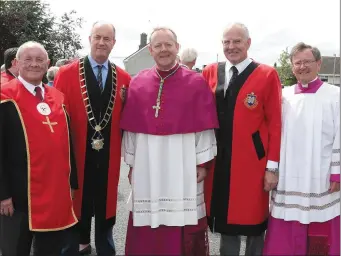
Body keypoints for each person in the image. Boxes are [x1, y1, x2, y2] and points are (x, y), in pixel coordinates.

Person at [120, 27, 218, 256]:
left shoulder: (195, 82)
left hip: (183, 163)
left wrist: (202, 164)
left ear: (177, 47)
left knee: (182, 217)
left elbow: (204, 128)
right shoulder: (138, 83)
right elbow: (132, 131)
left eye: (168, 45)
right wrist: (133, 165)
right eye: (158, 46)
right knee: (147, 216)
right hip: (147, 163)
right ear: (150, 50)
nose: (164, 49)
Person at [202, 22, 282, 255]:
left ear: (248, 43)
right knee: (226, 220)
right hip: (219, 162)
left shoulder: (267, 74)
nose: (231, 46)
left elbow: (276, 124)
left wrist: (272, 168)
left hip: (252, 164)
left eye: (237, 41)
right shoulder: (210, 71)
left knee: (254, 223)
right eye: (226, 42)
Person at [54, 21, 131, 256]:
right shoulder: (66, 75)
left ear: (114, 43)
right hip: (77, 158)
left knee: (106, 214)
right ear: (89, 39)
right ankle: (74, 248)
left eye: (107, 39)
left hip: (108, 159)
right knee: (76, 213)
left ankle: (106, 248)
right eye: (97, 37)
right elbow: (57, 121)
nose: (101, 42)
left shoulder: (125, 79)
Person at [0, 41, 78, 256]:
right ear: (16, 63)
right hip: (17, 195)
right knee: (15, 250)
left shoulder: (59, 98)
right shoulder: (4, 97)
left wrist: (72, 182)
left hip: (54, 192)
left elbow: (68, 143)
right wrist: (3, 194)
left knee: (50, 249)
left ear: (48, 64)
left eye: (39, 60)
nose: (34, 64)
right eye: (28, 59)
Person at [263, 42, 340, 255]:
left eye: (307, 62)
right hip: (289, 174)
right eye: (297, 63)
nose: (302, 67)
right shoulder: (283, 96)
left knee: (320, 221)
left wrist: (337, 173)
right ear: (292, 66)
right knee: (286, 221)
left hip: (320, 174)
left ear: (318, 63)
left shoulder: (335, 95)